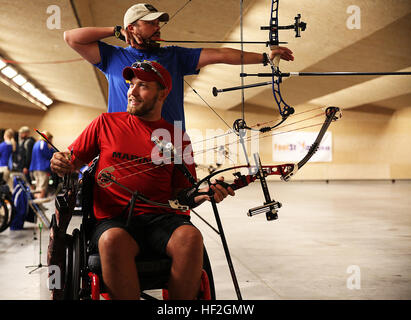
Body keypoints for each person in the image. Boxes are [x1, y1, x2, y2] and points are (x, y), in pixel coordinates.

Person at [50, 62, 234, 300]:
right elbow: (70, 162)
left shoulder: (178, 136)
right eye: (131, 85)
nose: (132, 92)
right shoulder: (105, 123)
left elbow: (183, 194)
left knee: (191, 237)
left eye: (143, 86)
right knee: (112, 240)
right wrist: (60, 163)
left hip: (162, 220)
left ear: (163, 93)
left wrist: (205, 193)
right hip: (113, 220)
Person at [63, 3, 294, 131]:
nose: (158, 26)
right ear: (131, 27)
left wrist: (264, 56)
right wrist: (114, 31)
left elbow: (221, 54)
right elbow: (71, 37)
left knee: (174, 204)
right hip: (123, 139)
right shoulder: (112, 56)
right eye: (150, 22)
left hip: (168, 140)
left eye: (158, 22)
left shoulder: (173, 55)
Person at [29, 131, 55, 199]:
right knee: (42, 187)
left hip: (35, 168)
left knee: (38, 187)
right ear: (48, 138)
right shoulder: (43, 144)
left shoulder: (36, 143)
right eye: (50, 139)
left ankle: (37, 203)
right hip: (42, 168)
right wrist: (51, 148)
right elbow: (49, 155)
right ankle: (40, 203)